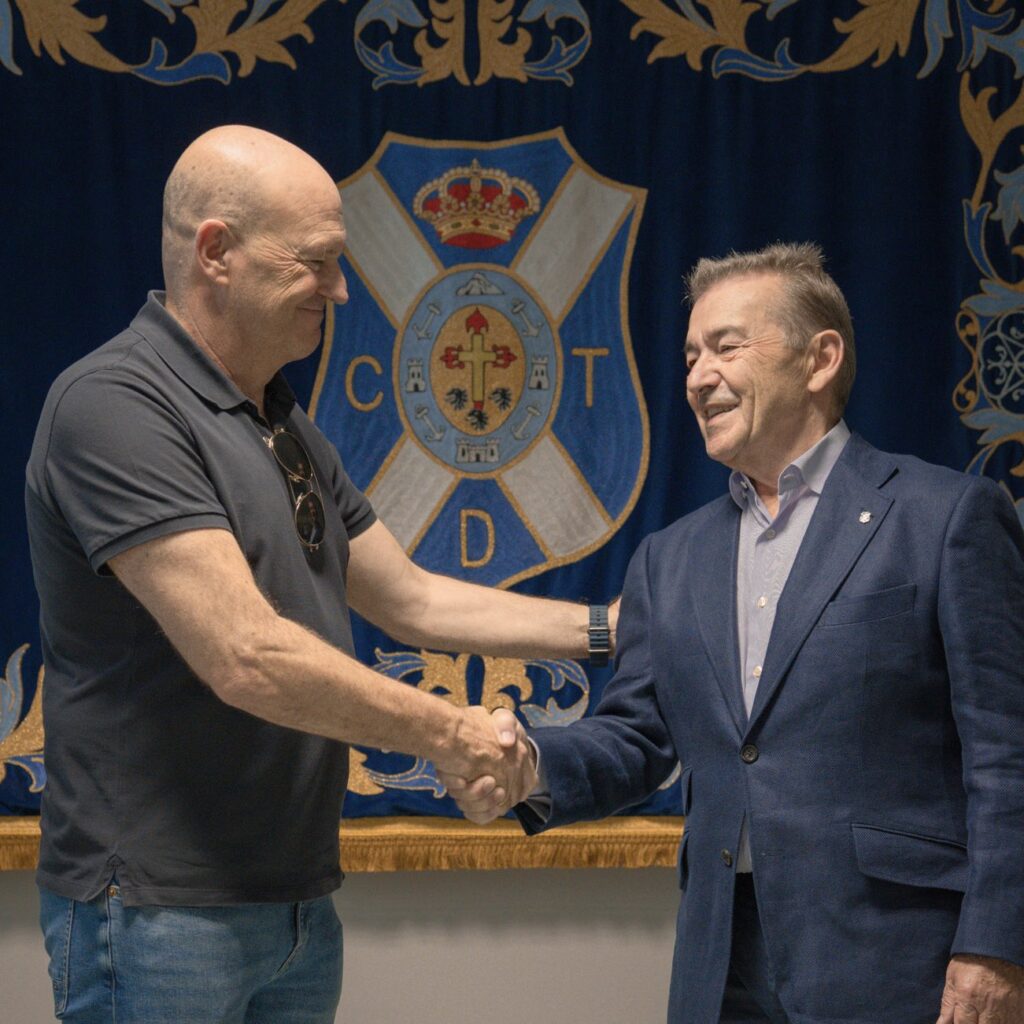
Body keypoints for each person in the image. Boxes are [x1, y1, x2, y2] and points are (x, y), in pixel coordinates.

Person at [24, 125, 606, 1023]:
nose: (340, 288)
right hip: (156, 909)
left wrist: (612, 628)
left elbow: (406, 597)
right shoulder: (116, 404)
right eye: (318, 262)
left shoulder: (279, 420)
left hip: (292, 899)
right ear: (217, 251)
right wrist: (454, 735)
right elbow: (246, 655)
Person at [444, 243, 1024, 1023]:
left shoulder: (944, 517)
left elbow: (1007, 753)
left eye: (725, 347)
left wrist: (996, 945)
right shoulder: (671, 557)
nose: (697, 376)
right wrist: (530, 764)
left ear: (820, 360)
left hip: (896, 959)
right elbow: (637, 737)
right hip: (722, 964)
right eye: (689, 355)